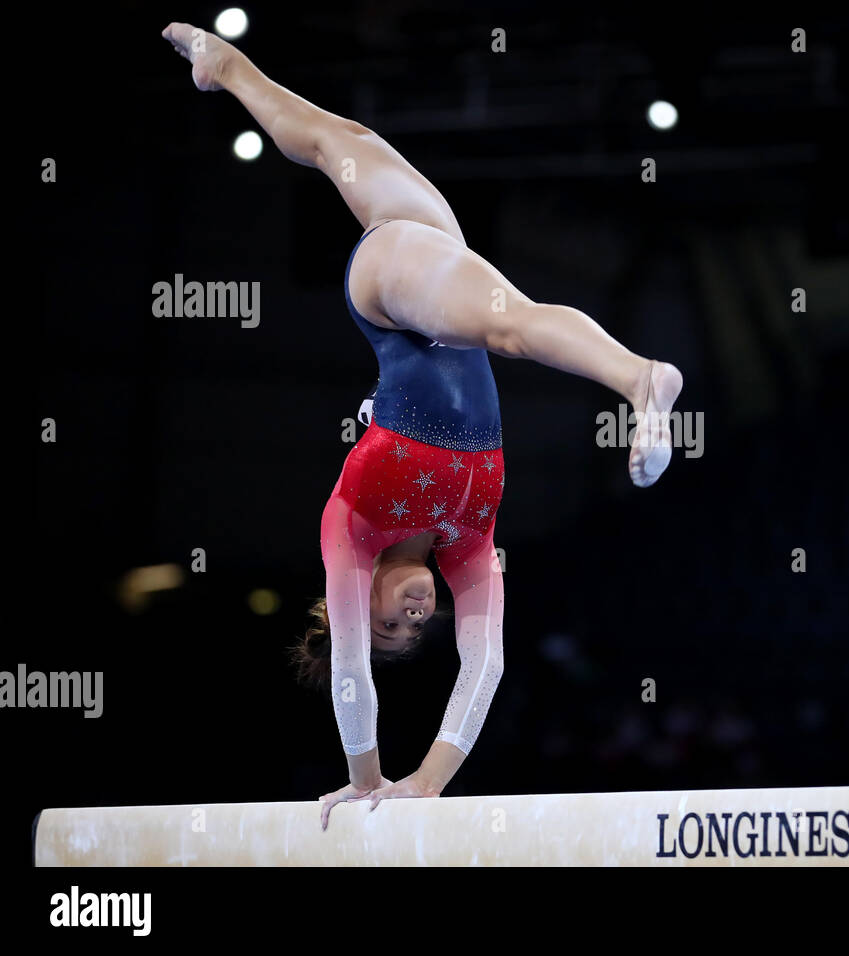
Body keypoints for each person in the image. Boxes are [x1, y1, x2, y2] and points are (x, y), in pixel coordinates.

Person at [161, 22, 683, 829]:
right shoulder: (469, 545)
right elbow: (486, 665)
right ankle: (227, 67)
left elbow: (348, 671)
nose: (413, 616)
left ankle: (639, 378)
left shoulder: (352, 527)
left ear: (355, 600)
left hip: (390, 292)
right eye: (416, 628)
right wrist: (430, 782)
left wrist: (368, 779)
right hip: (426, 269)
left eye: (388, 624)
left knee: (510, 329)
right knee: (338, 142)